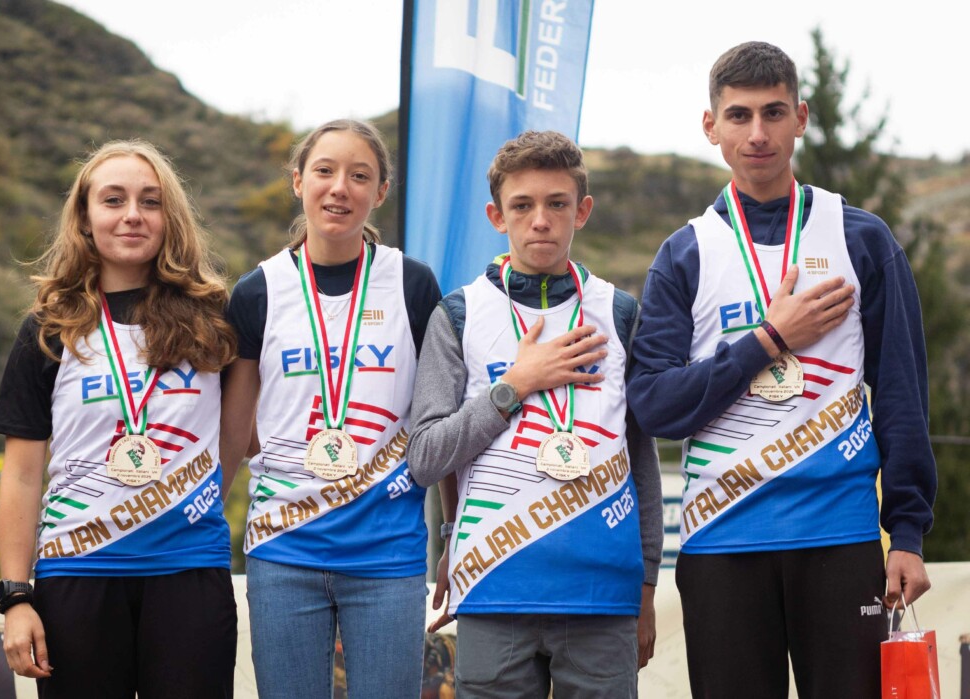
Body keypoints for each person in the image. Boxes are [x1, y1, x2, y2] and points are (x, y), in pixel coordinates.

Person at [627, 41, 937, 698]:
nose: (758, 133)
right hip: (719, 542)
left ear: (801, 116)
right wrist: (770, 338)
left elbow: (904, 391)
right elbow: (654, 403)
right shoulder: (683, 254)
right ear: (710, 126)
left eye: (774, 113)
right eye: (739, 115)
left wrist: (906, 532)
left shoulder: (862, 238)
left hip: (842, 536)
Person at [408, 130, 663, 698]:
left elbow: (640, 460)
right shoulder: (458, 313)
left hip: (603, 597)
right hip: (495, 584)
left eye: (557, 204)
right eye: (522, 205)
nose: (540, 220)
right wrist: (513, 388)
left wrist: (645, 584)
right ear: (497, 215)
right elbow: (424, 457)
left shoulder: (620, 313)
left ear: (583, 211)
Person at [0, 140, 239, 697]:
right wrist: (16, 595)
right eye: (113, 199)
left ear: (168, 217)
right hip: (76, 575)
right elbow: (23, 472)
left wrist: (190, 501)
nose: (132, 214)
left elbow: (240, 436)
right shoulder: (49, 328)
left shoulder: (213, 320)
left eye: (150, 201)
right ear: (84, 217)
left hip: (189, 575)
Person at [220, 118, 441, 699]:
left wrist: (458, 540)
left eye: (359, 175)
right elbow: (233, 437)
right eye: (324, 170)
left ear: (380, 192)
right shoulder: (257, 292)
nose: (339, 187)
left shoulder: (412, 285)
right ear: (298, 181)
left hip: (388, 554)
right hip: (283, 550)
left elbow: (437, 426)